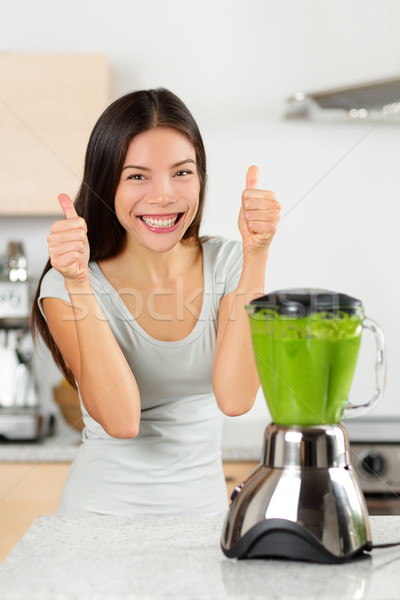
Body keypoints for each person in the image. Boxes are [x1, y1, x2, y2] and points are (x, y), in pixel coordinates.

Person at [31, 88, 280, 516]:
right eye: (137, 176)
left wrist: (257, 252)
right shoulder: (66, 285)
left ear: (200, 176)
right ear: (106, 182)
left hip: (202, 522)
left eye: (181, 173)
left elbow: (236, 399)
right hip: (99, 521)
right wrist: (78, 283)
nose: (163, 195)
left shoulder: (228, 262)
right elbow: (122, 420)